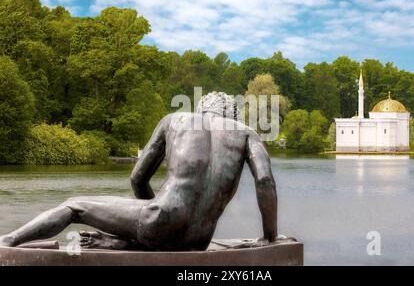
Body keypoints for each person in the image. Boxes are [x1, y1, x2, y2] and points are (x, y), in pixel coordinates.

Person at [0, 92, 278, 251]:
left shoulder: (175, 119)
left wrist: (154, 214)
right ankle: (119, 241)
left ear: (201, 107)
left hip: (160, 221)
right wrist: (269, 238)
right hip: (200, 238)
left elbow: (137, 177)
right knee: (153, 224)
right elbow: (265, 181)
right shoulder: (246, 133)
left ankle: (7, 242)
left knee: (74, 206)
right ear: (231, 115)